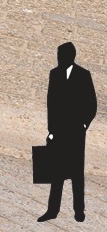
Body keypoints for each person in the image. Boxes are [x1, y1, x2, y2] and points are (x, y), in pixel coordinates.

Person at [43, 42, 97, 222]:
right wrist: (51, 130)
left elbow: (92, 104)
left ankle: (79, 211)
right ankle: (52, 210)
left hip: (75, 132)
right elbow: (51, 104)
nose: (59, 59)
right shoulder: (54, 74)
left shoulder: (83, 75)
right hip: (58, 131)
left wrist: (83, 125)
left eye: (62, 56)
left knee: (76, 173)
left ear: (70, 57)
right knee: (56, 173)